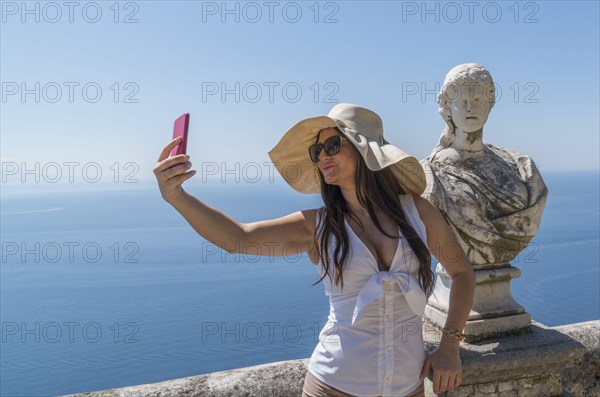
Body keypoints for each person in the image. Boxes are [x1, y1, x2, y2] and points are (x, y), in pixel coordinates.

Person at [153, 103, 475, 397]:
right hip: (333, 387)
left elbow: (461, 274)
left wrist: (449, 346)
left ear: (366, 151)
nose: (322, 156)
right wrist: (177, 197)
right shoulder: (317, 227)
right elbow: (240, 238)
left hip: (408, 388)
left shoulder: (418, 213)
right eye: (316, 150)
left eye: (332, 145)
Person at [421, 64, 548, 267]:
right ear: (448, 109)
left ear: (490, 104)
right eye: (462, 101)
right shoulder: (429, 174)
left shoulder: (523, 167)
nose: (471, 107)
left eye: (478, 100)